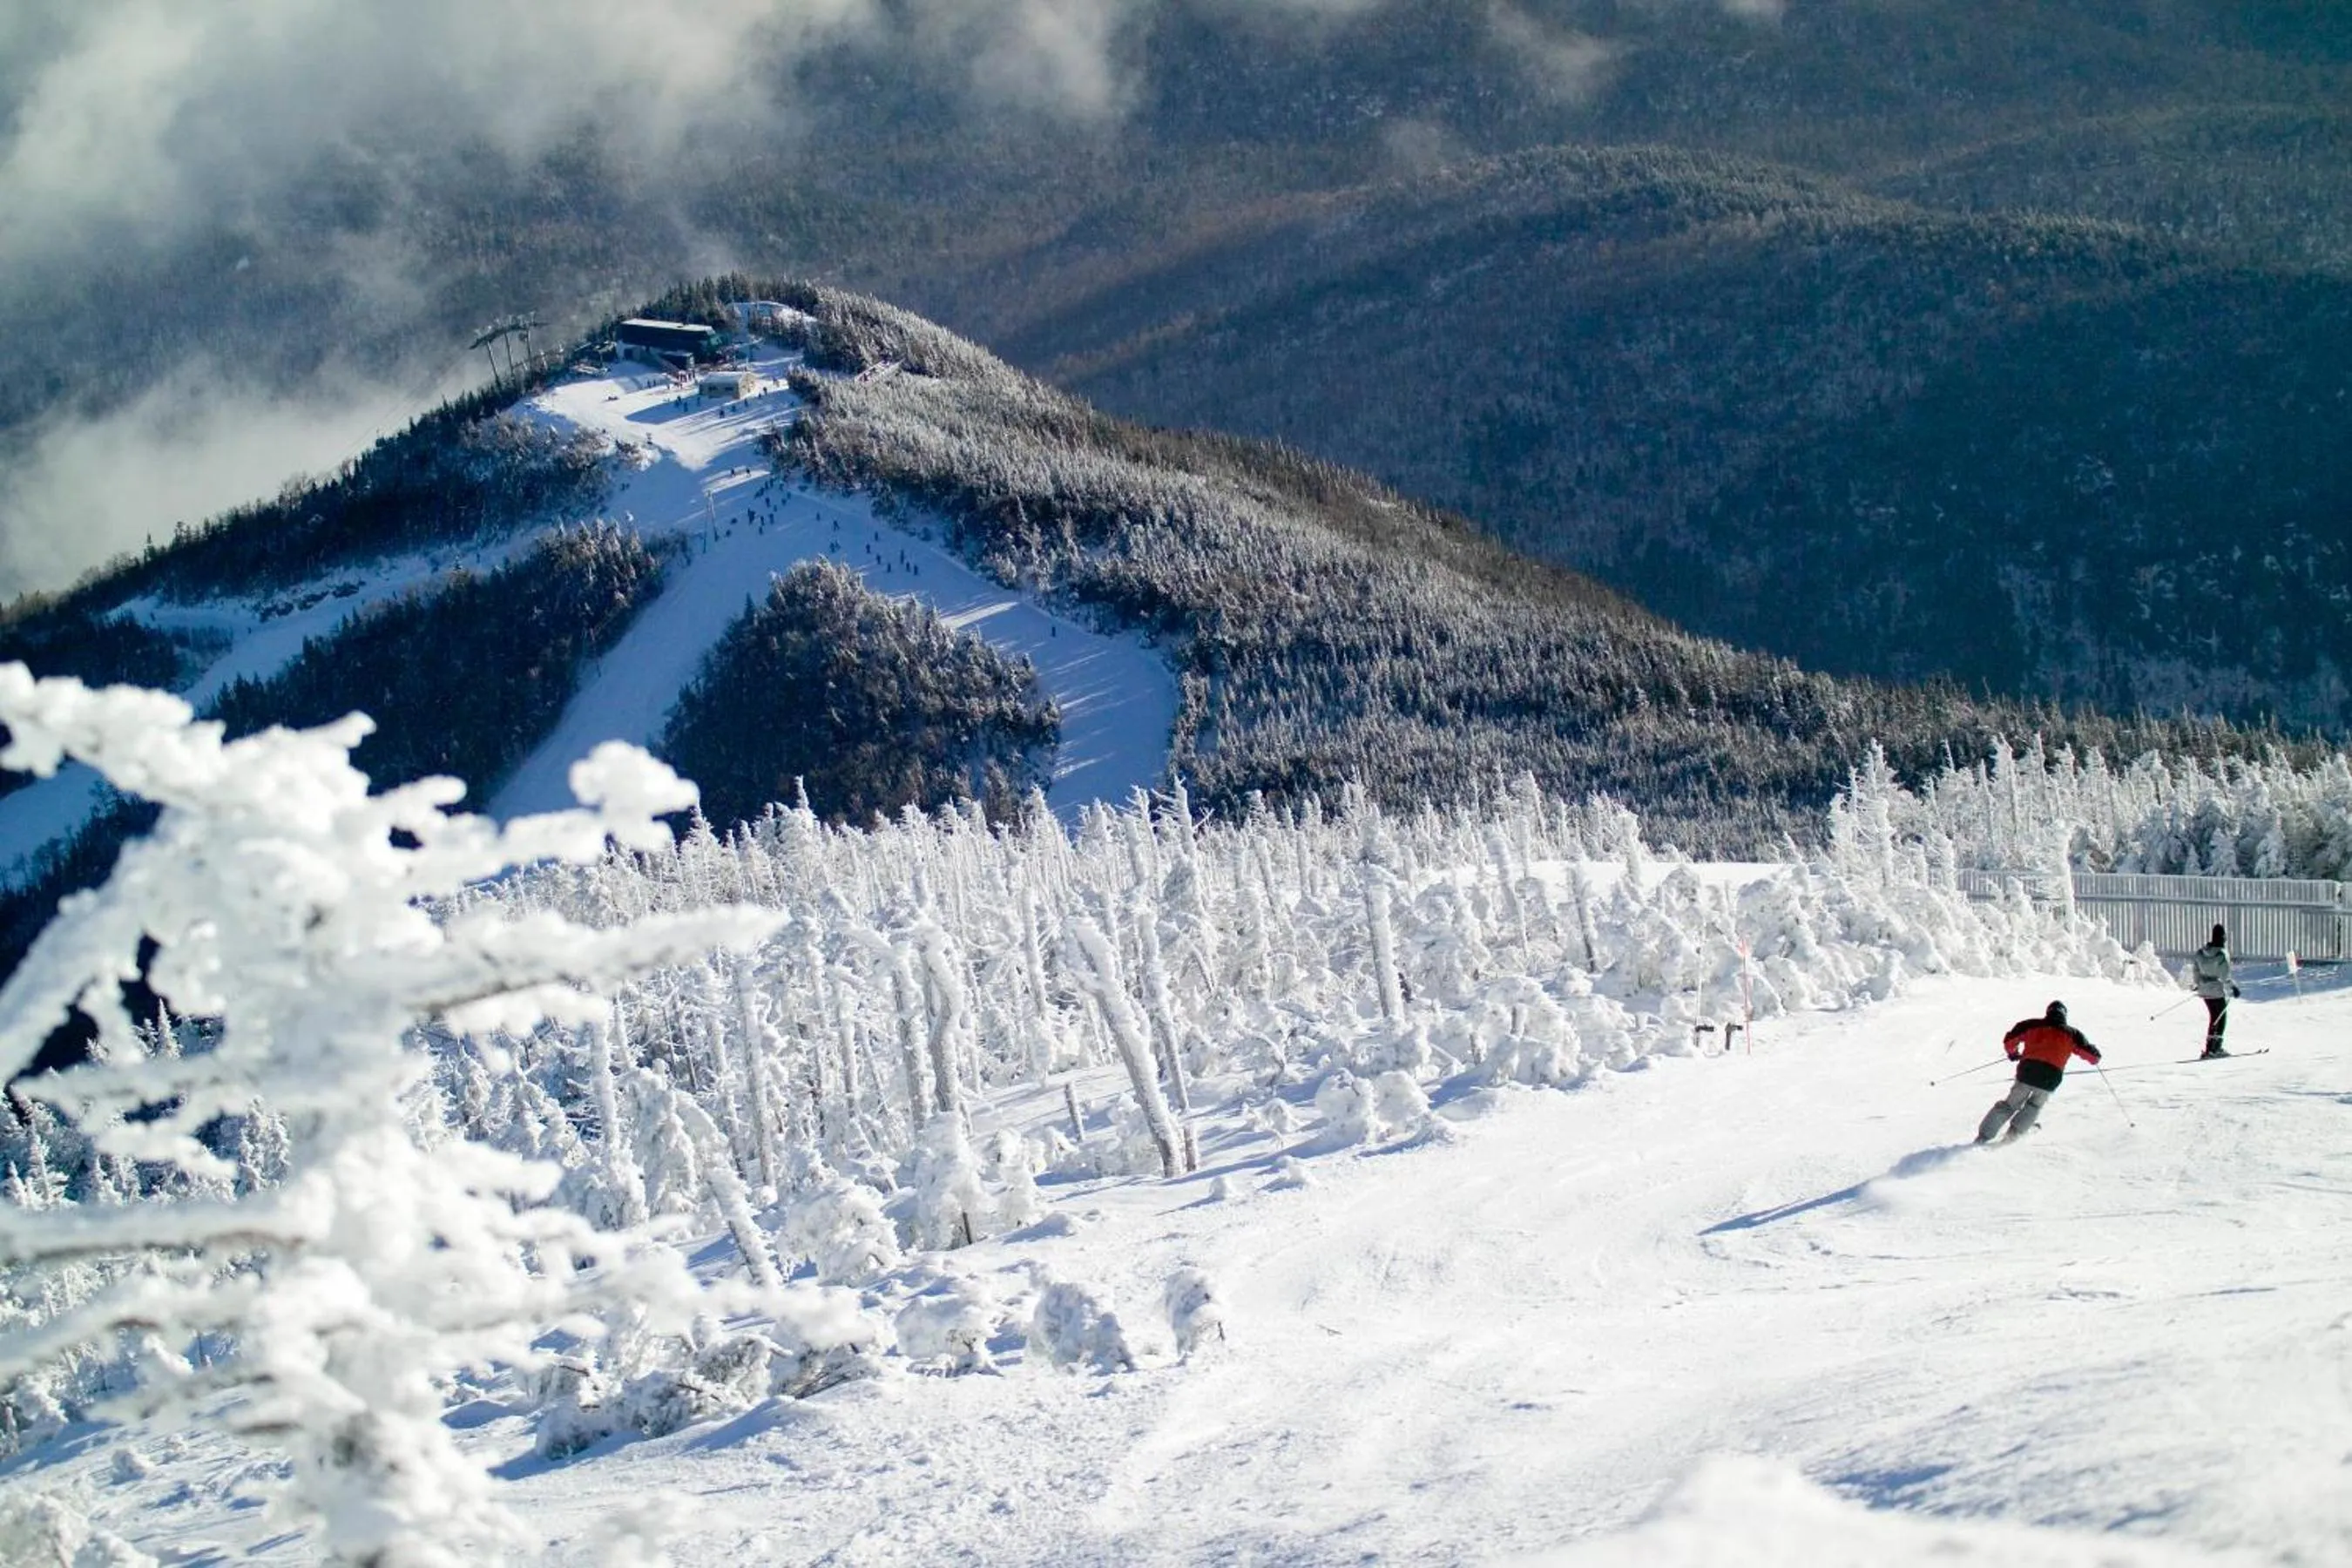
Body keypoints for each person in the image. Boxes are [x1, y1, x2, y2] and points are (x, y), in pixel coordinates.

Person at [1977, 1000, 2102, 1144]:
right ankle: (2013, 1135)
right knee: (2034, 1106)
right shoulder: (2073, 1034)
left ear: (2048, 1012)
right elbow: (2093, 1056)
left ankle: (1984, 1136)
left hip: (2027, 1073)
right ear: (2064, 1015)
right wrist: (2094, 1056)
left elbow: (2010, 1040)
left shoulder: (2032, 1025)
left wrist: (2013, 1053)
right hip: (2050, 1079)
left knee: (2010, 1104)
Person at [2190, 924, 2240, 1058]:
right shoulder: (2221, 954)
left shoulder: (2201, 953)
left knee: (2214, 1017)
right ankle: (2215, 1049)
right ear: (2223, 937)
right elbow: (2225, 976)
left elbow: (2195, 971)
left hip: (2205, 991)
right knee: (2221, 1019)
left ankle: (2210, 1049)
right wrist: (2233, 987)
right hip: (2217, 991)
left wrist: (2198, 984)